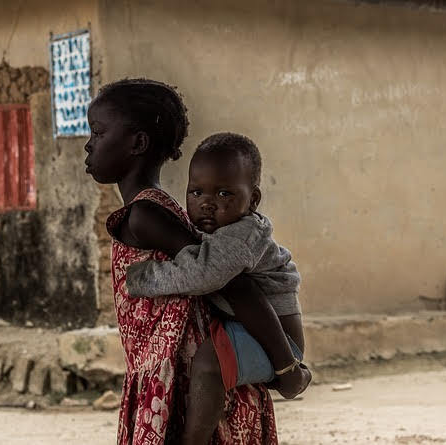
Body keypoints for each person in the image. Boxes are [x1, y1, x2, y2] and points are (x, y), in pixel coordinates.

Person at [84, 79, 278, 444]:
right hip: (172, 382)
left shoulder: (147, 215)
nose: (89, 144)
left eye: (98, 132)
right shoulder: (154, 209)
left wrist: (285, 362)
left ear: (137, 144)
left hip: (187, 390)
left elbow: (234, 282)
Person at [126, 132, 311, 444]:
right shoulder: (217, 230)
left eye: (225, 194)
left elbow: (203, 276)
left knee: (209, 365)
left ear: (253, 200)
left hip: (278, 337)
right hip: (247, 329)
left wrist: (143, 278)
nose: (207, 204)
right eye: (196, 192)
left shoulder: (242, 234)